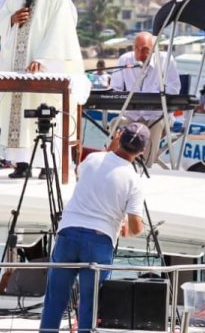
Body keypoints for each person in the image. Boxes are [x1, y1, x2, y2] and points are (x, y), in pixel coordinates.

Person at [39, 123, 147, 333]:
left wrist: (109, 147)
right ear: (142, 152)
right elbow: (135, 228)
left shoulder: (93, 159)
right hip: (99, 241)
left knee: (54, 301)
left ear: (120, 137)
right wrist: (126, 226)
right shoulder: (134, 181)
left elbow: (91, 176)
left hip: (68, 234)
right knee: (90, 306)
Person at [0, 0, 86, 179]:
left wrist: (42, 58)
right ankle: (21, 163)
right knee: (18, 112)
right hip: (18, 65)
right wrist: (12, 19)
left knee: (47, 112)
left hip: (43, 67)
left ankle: (48, 164)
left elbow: (62, 30)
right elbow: (2, 18)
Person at [110, 32, 181, 165]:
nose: (139, 53)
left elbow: (175, 87)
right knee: (115, 123)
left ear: (154, 50)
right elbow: (115, 88)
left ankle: (146, 167)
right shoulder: (124, 60)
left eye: (145, 50)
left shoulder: (166, 60)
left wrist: (157, 98)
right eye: (136, 48)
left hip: (157, 116)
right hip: (132, 116)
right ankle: (116, 165)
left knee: (155, 127)